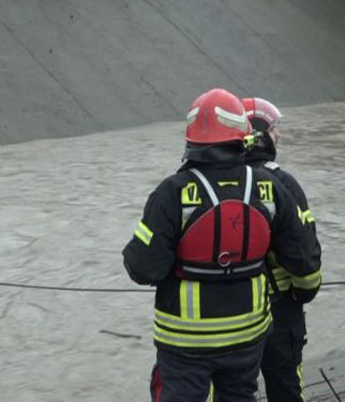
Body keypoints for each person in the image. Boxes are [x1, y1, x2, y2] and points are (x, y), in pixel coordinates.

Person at [122, 88, 321, 402]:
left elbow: (143, 268)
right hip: (248, 333)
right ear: (242, 136)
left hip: (185, 340)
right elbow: (303, 258)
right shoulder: (270, 187)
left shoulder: (172, 193)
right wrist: (305, 291)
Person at [242, 97, 321, 402]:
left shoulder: (216, 180)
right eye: (274, 129)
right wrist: (303, 292)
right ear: (259, 136)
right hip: (279, 306)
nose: (279, 135)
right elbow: (305, 257)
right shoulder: (282, 183)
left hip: (228, 308)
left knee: (234, 388)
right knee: (286, 386)